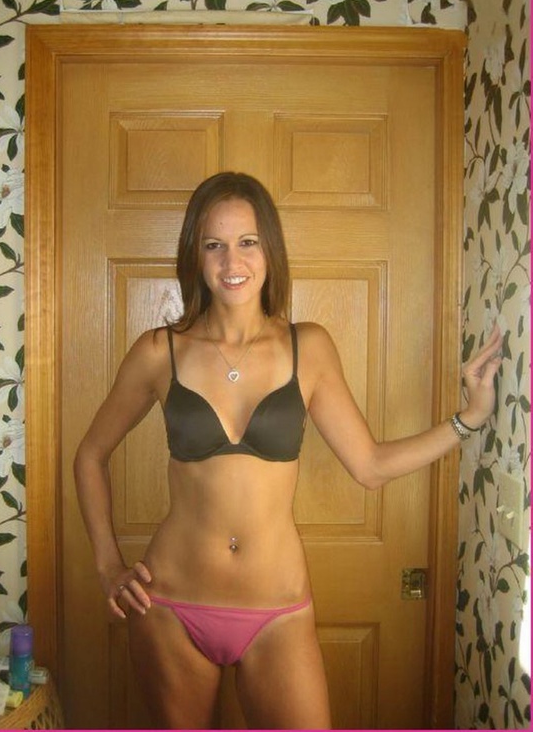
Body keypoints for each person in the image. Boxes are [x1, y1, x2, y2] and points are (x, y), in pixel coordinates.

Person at [74, 172, 502, 730]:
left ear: (269, 250)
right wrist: (108, 566)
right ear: (195, 255)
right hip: (172, 604)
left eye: (247, 241)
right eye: (214, 244)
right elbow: (90, 455)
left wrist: (469, 420)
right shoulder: (160, 352)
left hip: (277, 611)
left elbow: (370, 467)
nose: (232, 260)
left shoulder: (309, 347)